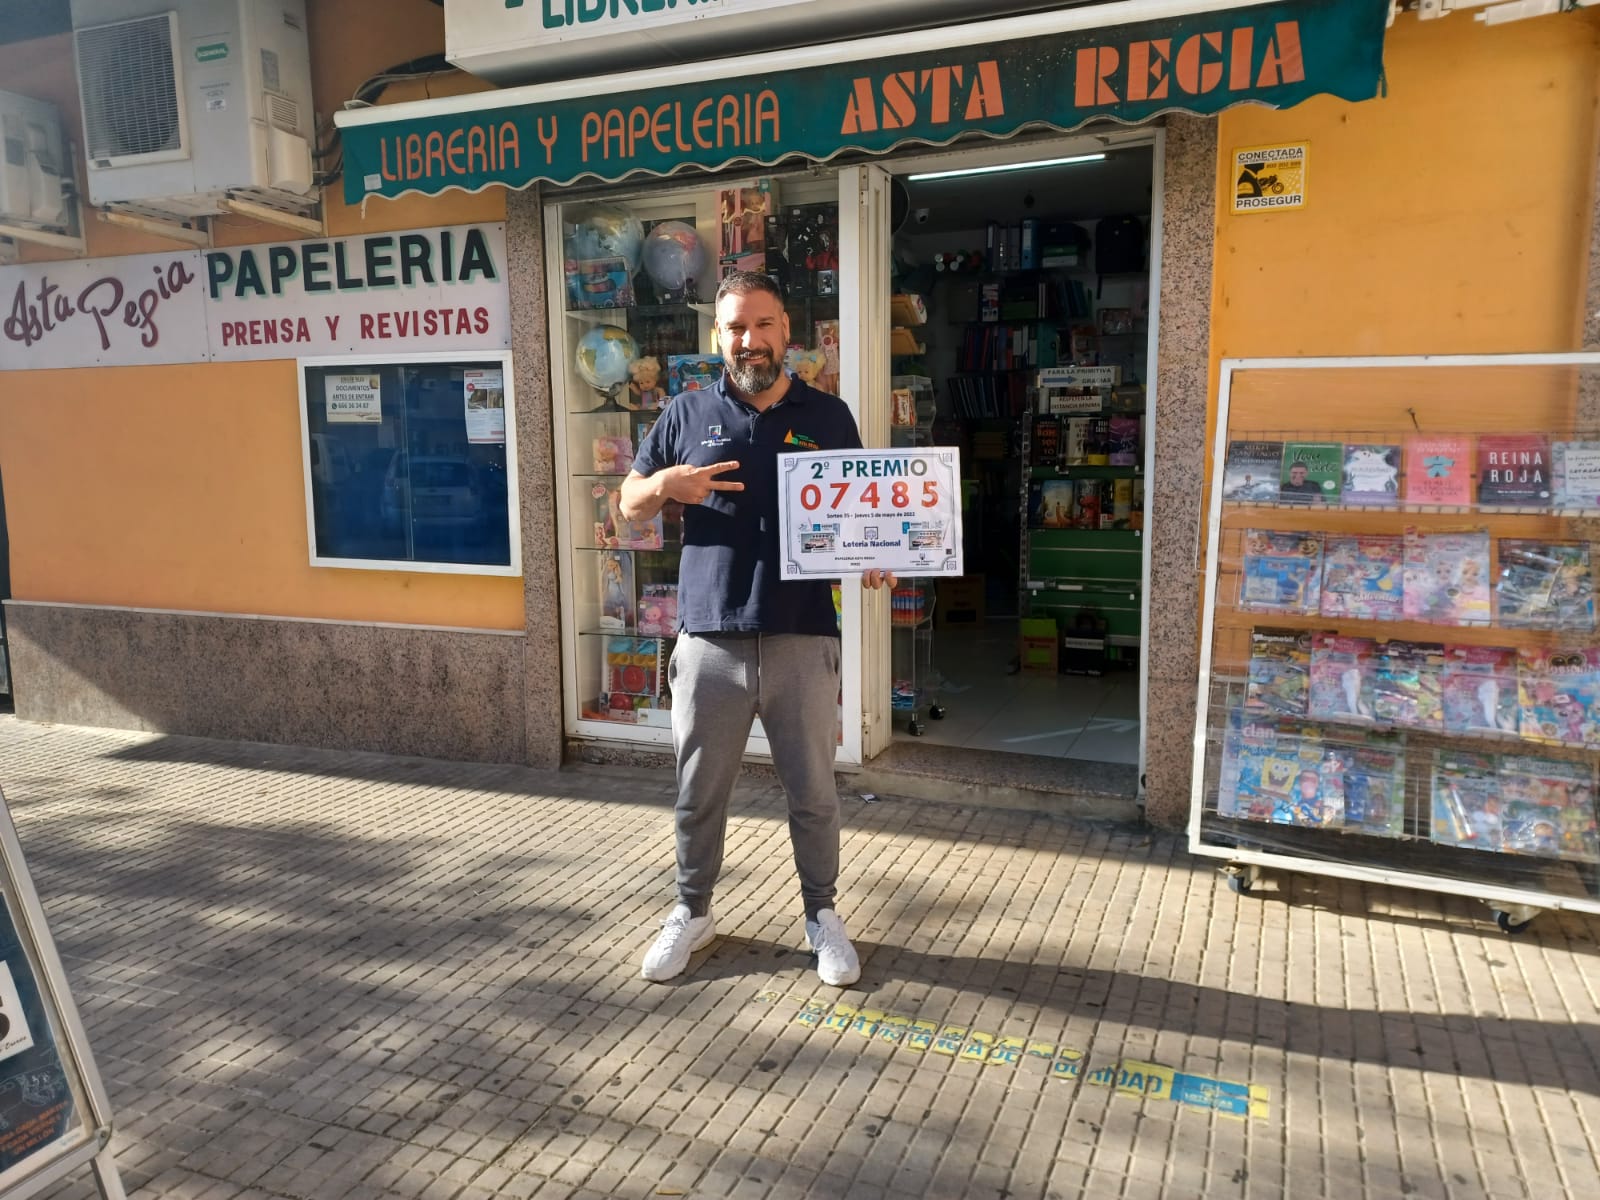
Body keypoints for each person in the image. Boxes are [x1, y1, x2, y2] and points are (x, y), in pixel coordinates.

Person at [620, 271, 894, 987]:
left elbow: (864, 515)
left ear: (786, 333)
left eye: (764, 325)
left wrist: (877, 559)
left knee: (813, 793)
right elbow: (627, 505)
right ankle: (691, 911)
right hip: (709, 638)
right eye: (736, 327)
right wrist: (664, 487)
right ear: (719, 336)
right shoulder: (684, 412)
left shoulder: (830, 416)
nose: (751, 340)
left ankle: (823, 916)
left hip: (804, 635)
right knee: (698, 792)